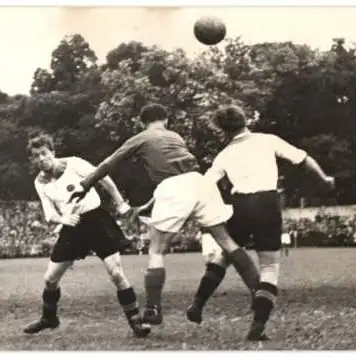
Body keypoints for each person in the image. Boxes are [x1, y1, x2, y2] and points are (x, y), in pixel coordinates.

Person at [68, 103, 260, 327]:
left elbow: (110, 163)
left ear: (142, 122)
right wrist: (149, 205)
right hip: (201, 183)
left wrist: (84, 184)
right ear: (166, 120)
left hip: (174, 188)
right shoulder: (175, 136)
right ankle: (259, 291)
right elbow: (180, 174)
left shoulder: (141, 137)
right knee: (227, 242)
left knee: (157, 250)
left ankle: (153, 309)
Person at [186, 105, 335, 341]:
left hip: (240, 205)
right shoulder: (267, 140)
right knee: (269, 266)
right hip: (267, 202)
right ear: (245, 120)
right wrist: (324, 178)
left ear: (223, 130)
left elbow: (206, 185)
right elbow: (303, 158)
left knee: (225, 256)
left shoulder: (224, 154)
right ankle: (258, 324)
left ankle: (197, 303)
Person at [23, 134, 150, 338]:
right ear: (32, 160)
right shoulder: (39, 182)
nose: (41, 159)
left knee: (116, 274)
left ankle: (136, 322)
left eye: (44, 153)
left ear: (53, 152)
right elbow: (50, 214)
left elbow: (103, 177)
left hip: (97, 220)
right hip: (72, 226)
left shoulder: (73, 164)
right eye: (36, 156)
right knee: (50, 280)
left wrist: (119, 202)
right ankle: (49, 318)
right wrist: (63, 220)